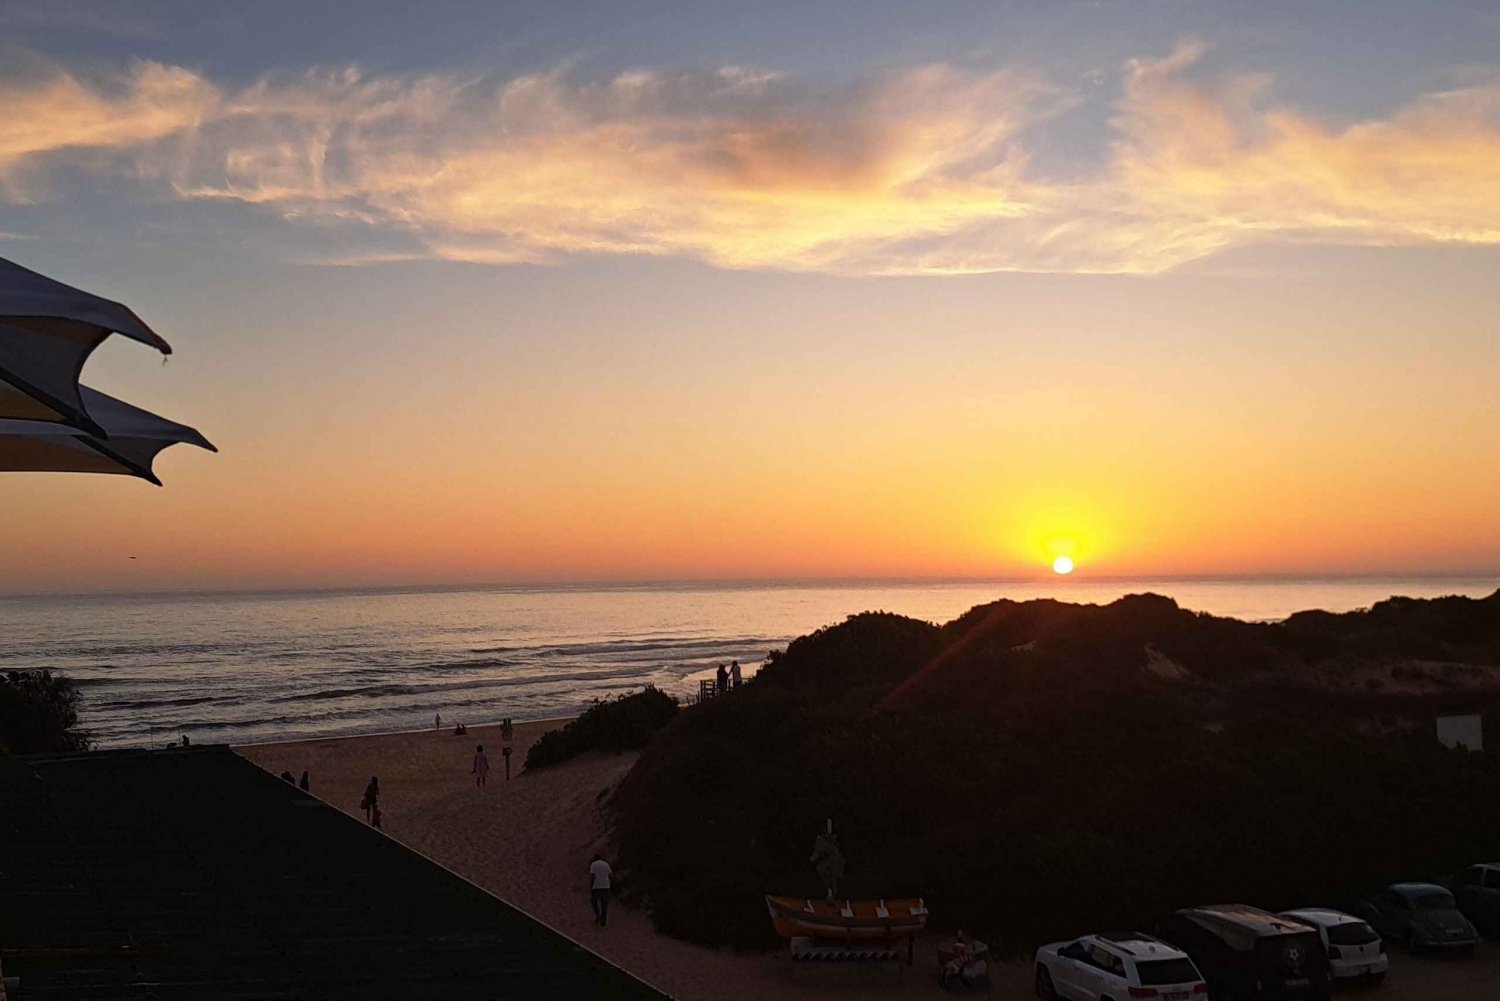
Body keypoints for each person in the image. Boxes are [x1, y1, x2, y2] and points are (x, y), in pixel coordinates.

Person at [588, 854, 612, 928]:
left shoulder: (593, 864)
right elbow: (610, 875)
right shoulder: (606, 864)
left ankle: (598, 915)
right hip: (606, 886)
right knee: (604, 904)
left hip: (597, 886)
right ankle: (603, 922)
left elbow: (593, 876)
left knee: (594, 901)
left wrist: (591, 886)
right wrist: (609, 883)